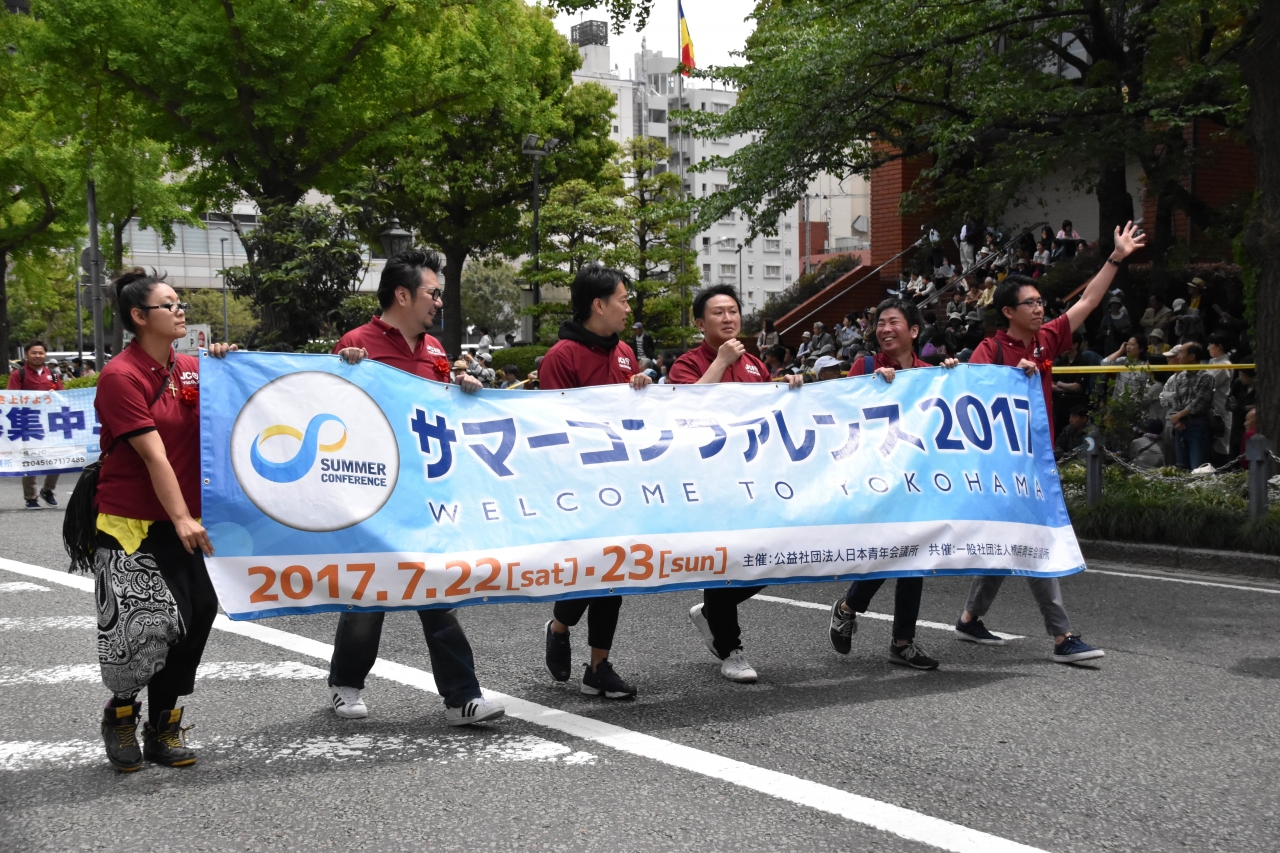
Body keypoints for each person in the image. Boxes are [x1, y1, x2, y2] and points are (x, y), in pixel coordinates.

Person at [326, 249, 505, 726]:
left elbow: (439, 411)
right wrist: (344, 371)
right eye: (433, 293)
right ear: (402, 295)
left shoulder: (436, 350)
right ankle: (346, 682)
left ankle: (462, 698)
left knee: (436, 591)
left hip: (425, 491)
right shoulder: (355, 345)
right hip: (372, 492)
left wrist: (462, 390)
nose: (439, 302)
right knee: (368, 596)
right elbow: (328, 411)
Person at [954, 220, 1146, 664]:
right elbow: (969, 399)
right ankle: (1062, 637)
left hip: (1035, 459)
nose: (1040, 309)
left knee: (1011, 542)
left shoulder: (1046, 339)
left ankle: (969, 618)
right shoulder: (990, 351)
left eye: (1041, 302)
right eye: (1031, 303)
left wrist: (1115, 257)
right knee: (1035, 540)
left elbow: (1089, 301)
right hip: (1004, 466)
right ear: (1008, 311)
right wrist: (1009, 376)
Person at [89, 268, 235, 772]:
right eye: (168, 304)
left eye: (179, 303)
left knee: (196, 616)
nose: (180, 311)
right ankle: (121, 714)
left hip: (188, 519)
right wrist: (181, 518)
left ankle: (163, 726)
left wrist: (229, 365)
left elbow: (246, 400)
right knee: (144, 628)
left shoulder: (191, 368)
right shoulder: (120, 377)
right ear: (138, 316)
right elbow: (154, 456)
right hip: (133, 523)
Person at [668, 284, 804, 683]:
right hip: (710, 478)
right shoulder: (687, 363)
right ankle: (731, 650)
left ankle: (711, 612)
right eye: (718, 313)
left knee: (774, 555)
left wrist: (790, 388)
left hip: (753, 476)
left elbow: (770, 412)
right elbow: (685, 408)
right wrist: (720, 361)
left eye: (733, 311)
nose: (728, 318)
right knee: (723, 560)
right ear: (700, 323)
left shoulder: (755, 365)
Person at [829, 298, 960, 668]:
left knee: (914, 557)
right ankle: (849, 606)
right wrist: (873, 388)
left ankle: (902, 642)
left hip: (917, 478)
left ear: (914, 330)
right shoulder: (867, 366)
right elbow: (841, 413)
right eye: (880, 323)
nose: (885, 329)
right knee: (891, 551)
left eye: (893, 322)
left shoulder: (930, 373)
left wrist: (953, 376)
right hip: (876, 477)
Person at [541, 264, 652, 700]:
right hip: (580, 483)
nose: (628, 308)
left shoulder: (624, 351)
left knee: (615, 572)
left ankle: (598, 667)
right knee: (590, 569)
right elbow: (555, 424)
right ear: (598, 305)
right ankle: (559, 625)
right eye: (622, 300)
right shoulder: (562, 356)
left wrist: (640, 388)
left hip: (621, 480)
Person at [8, 340, 64, 509]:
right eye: (34, 353)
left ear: (45, 355)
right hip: (28, 422)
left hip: (50, 423)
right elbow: (11, 398)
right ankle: (30, 497)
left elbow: (62, 397)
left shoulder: (53, 374)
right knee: (29, 459)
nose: (38, 356)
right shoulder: (18, 374)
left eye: (41, 353)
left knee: (59, 457)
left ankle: (48, 490)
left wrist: (55, 395)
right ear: (27, 354)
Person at [1160, 342, 1214, 470]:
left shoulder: (1206, 376)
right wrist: (1176, 419)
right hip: (1180, 425)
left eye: (1181, 353)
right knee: (1181, 466)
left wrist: (1178, 416)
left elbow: (1199, 402)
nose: (1178, 357)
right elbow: (1176, 399)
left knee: (1198, 466)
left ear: (1192, 356)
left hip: (1197, 424)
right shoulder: (1181, 376)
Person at [1052, 332, 1102, 437]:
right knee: (1058, 431)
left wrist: (1060, 384)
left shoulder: (1083, 361)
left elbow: (1077, 387)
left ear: (1075, 345)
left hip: (1076, 404)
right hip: (1059, 404)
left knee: (1074, 432)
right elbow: (1051, 384)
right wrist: (1065, 388)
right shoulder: (1060, 362)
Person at [1206, 333, 1234, 464]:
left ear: (1219, 347)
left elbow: (1207, 384)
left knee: (1220, 447)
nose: (1208, 348)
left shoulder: (1223, 365)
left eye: (1210, 345)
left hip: (1220, 410)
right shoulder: (1213, 362)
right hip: (1211, 409)